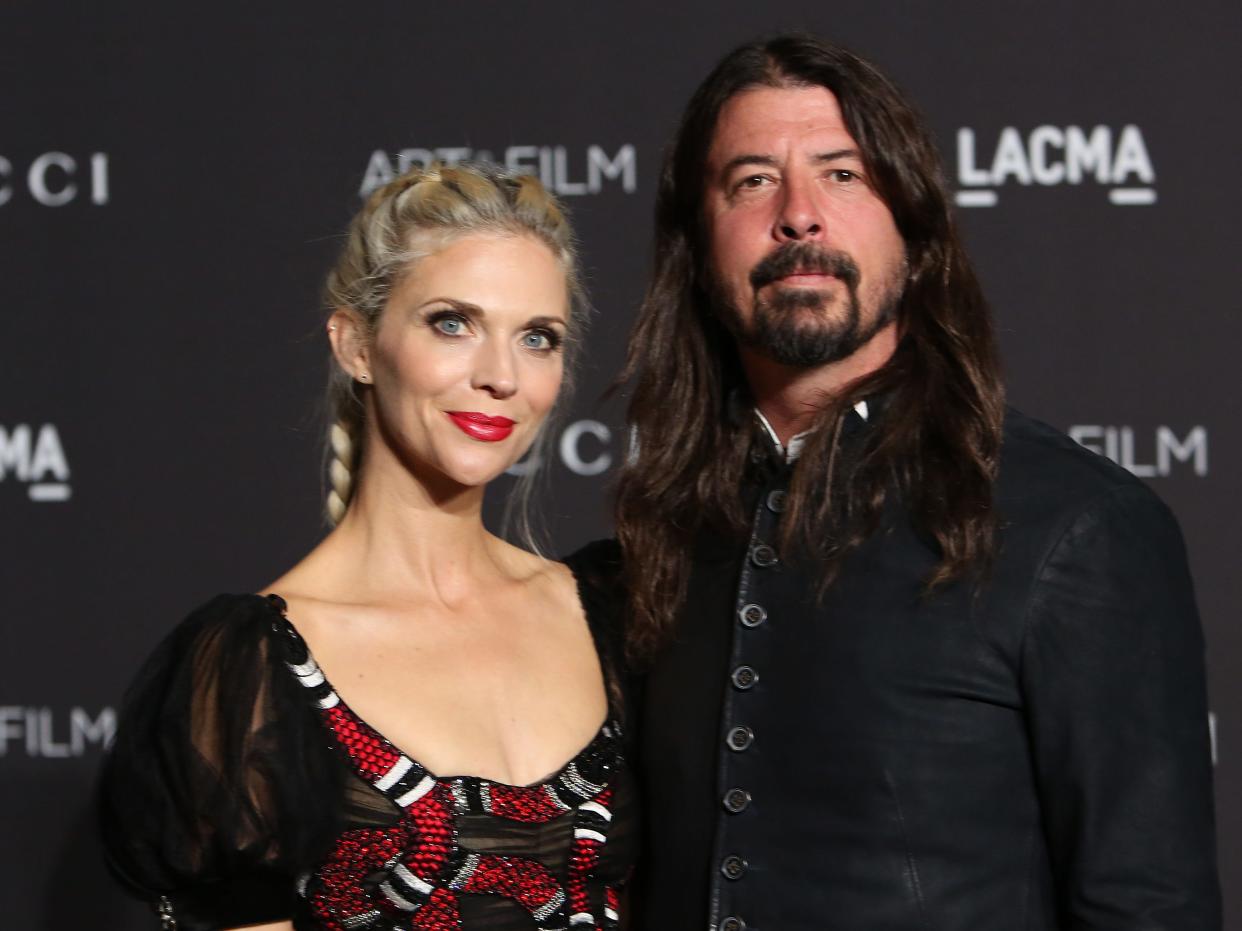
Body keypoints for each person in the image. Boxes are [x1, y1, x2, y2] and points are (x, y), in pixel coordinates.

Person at [609, 34, 1220, 930]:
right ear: (698, 243)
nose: (799, 216)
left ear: (915, 225)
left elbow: (1150, 905)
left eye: (843, 175)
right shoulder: (662, 530)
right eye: (750, 181)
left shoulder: (1079, 527)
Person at [98, 163, 636, 931]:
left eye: (537, 338)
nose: (499, 375)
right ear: (355, 343)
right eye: (453, 322)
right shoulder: (255, 663)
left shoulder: (605, 609)